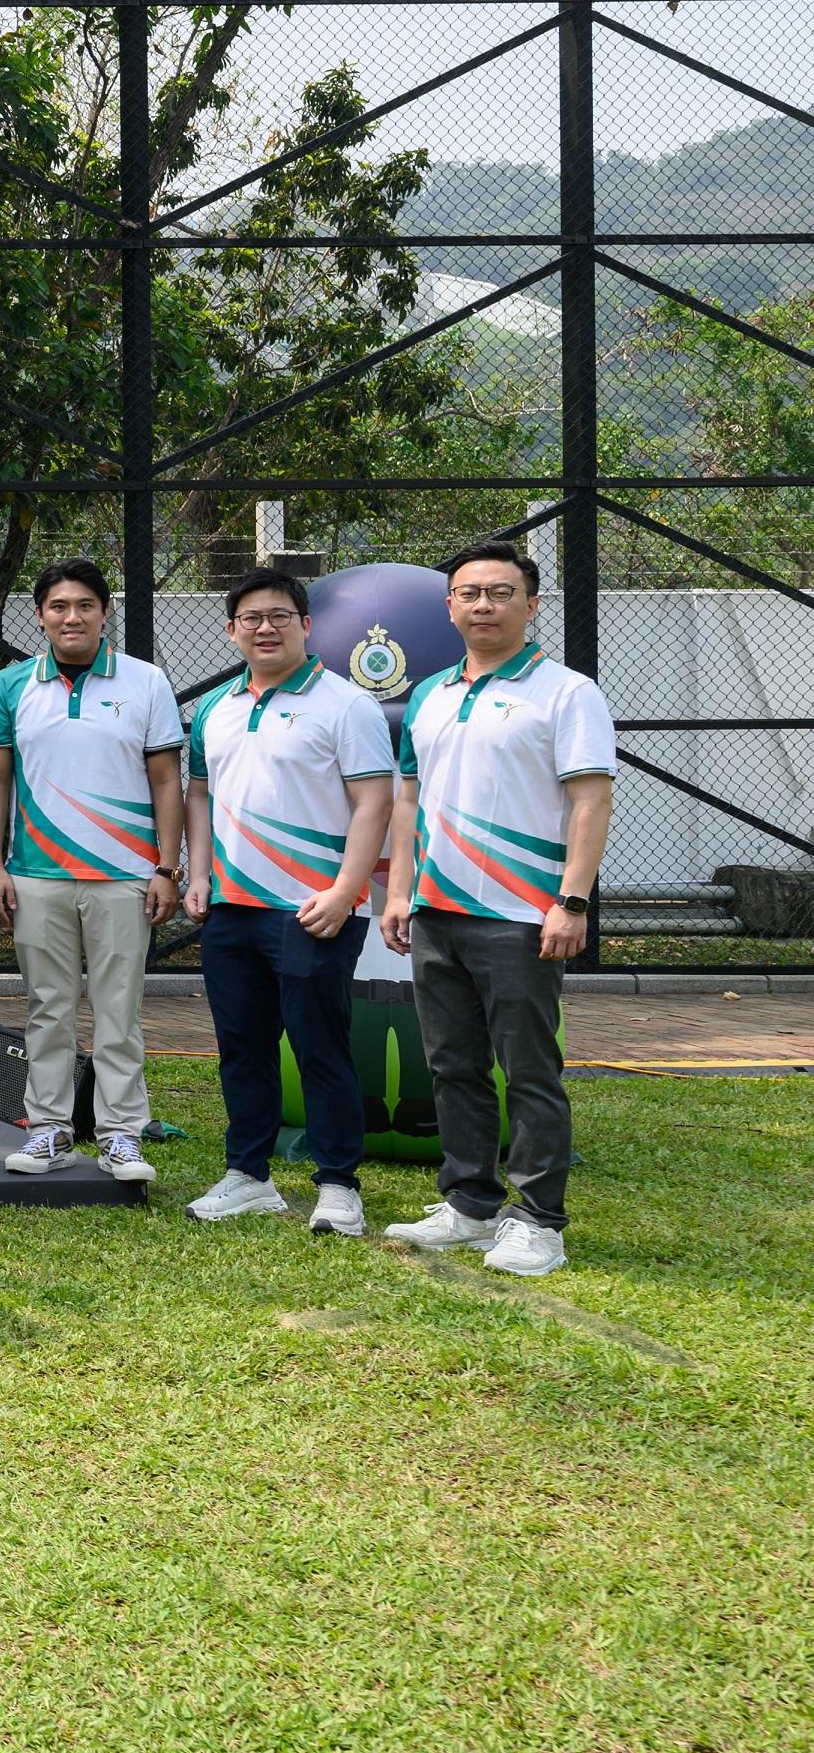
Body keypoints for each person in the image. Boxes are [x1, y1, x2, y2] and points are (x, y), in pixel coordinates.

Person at [380, 541, 614, 1279]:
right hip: (437, 911)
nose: (483, 604)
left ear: (532, 605)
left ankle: (540, 1222)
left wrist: (571, 900)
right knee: (453, 1065)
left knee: (529, 1071)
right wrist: (399, 891)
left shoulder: (567, 692)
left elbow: (591, 799)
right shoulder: (429, 693)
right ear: (449, 606)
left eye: (501, 592)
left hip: (521, 915)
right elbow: (408, 798)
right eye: (469, 593)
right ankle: (471, 1205)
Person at [182, 565, 395, 1237]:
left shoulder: (347, 705)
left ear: (306, 625)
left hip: (313, 909)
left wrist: (344, 891)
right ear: (231, 630)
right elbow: (198, 793)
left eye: (280, 616)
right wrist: (198, 874)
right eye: (251, 618)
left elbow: (375, 801)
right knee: (242, 1049)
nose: (265, 628)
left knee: (319, 1048)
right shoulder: (215, 708)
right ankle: (248, 1175)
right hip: (231, 909)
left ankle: (338, 1186)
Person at [0, 558, 184, 1182]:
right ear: (40, 616)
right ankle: (49, 1131)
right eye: (59, 606)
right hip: (36, 874)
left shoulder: (146, 681)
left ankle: (121, 1135)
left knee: (120, 1009)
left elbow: (166, 779)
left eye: (85, 605)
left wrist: (166, 868)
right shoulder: (10, 685)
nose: (72, 617)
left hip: (124, 875)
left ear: (104, 612)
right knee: (47, 1007)